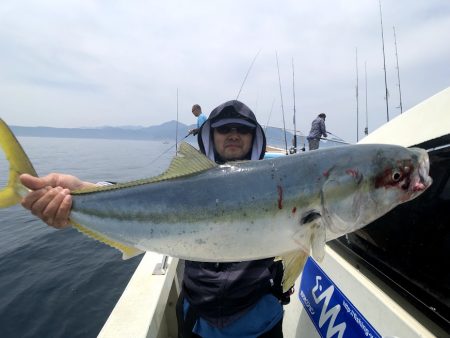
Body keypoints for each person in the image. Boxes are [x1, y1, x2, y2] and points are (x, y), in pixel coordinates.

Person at [19, 100, 289, 338]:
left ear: (255, 138)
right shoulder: (189, 184)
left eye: (243, 129)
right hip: (197, 316)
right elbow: (147, 197)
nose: (233, 135)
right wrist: (79, 191)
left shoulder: (278, 183)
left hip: (258, 318)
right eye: (224, 128)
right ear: (211, 134)